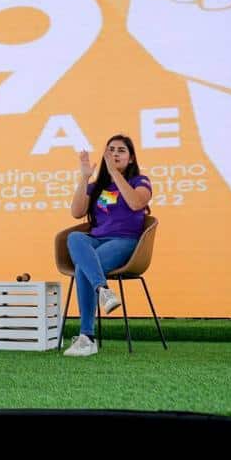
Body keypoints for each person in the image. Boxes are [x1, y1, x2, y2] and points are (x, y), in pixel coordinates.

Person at [63, 135, 153, 357]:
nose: (115, 154)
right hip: (96, 239)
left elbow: (136, 202)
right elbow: (76, 212)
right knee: (75, 238)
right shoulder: (97, 187)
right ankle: (103, 290)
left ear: (131, 158)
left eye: (121, 150)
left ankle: (87, 337)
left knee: (83, 268)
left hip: (125, 241)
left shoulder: (140, 181)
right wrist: (84, 178)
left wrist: (114, 173)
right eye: (111, 150)